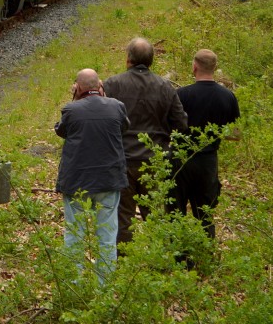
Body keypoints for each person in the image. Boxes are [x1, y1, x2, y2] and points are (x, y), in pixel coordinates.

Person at [102, 37, 188, 243]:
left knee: (123, 217)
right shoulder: (165, 87)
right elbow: (181, 123)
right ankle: (158, 260)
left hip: (121, 159)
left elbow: (102, 121)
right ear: (151, 60)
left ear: (128, 59)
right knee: (156, 215)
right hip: (155, 160)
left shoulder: (113, 84)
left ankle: (123, 262)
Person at [55, 68, 129, 282]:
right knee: (107, 236)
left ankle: (74, 284)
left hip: (76, 182)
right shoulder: (117, 107)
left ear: (77, 87)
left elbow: (62, 131)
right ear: (100, 86)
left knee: (74, 235)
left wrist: (75, 99)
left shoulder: (71, 109)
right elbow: (123, 128)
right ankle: (104, 286)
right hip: (108, 179)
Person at [173, 49, 241, 238]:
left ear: (194, 67)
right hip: (208, 161)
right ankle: (206, 255)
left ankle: (178, 258)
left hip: (182, 160)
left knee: (175, 212)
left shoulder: (181, 94)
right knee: (205, 214)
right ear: (215, 67)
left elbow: (169, 126)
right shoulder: (228, 97)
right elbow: (235, 135)